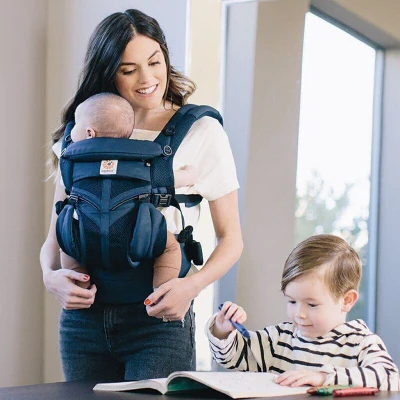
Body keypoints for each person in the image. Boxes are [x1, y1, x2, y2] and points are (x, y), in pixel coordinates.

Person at [40, 8, 243, 382]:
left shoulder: (201, 131)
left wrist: (190, 288)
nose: (148, 79)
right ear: (108, 72)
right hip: (83, 321)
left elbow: (232, 240)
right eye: (129, 70)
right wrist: (50, 277)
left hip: (158, 321)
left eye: (154, 62)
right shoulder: (82, 132)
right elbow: (56, 235)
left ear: (166, 56)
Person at [207, 234, 399, 390]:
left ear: (346, 300)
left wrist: (324, 377)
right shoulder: (279, 339)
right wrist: (222, 330)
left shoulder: (361, 343)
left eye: (312, 304)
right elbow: (231, 357)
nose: (299, 314)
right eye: (292, 301)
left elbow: (391, 378)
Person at [60, 92, 197, 290]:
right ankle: (161, 291)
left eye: (76, 124)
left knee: (67, 246)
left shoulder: (74, 166)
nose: (71, 131)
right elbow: (169, 179)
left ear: (90, 133)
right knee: (170, 248)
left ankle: (81, 284)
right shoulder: (140, 164)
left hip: (87, 234)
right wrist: (189, 174)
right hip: (137, 235)